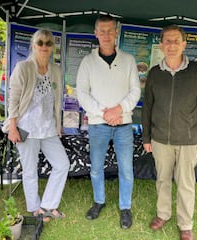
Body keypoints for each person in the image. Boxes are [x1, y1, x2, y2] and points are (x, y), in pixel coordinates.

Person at [142, 25, 197, 240]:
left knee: (186, 183)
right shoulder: (154, 73)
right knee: (162, 179)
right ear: (161, 45)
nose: (171, 45)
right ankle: (163, 214)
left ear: (184, 44)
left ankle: (186, 224)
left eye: (176, 41)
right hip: (160, 138)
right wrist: (147, 137)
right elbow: (147, 107)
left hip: (188, 140)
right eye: (167, 41)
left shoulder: (196, 71)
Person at [76, 14, 141, 229]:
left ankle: (125, 207)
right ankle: (99, 201)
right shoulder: (87, 62)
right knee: (96, 168)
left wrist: (118, 110)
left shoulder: (129, 60)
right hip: (98, 124)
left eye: (109, 30)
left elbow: (135, 91)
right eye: (101, 31)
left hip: (124, 124)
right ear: (95, 33)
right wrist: (105, 113)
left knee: (126, 169)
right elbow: (82, 94)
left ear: (116, 33)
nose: (105, 35)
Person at [2, 29, 70, 222]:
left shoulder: (55, 70)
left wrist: (58, 124)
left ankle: (48, 205)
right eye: (40, 42)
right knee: (30, 170)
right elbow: (13, 99)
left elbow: (57, 100)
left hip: (48, 128)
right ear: (33, 45)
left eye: (48, 43)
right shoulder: (23, 68)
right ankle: (34, 208)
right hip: (26, 128)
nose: (44, 46)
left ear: (52, 47)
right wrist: (13, 126)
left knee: (62, 164)